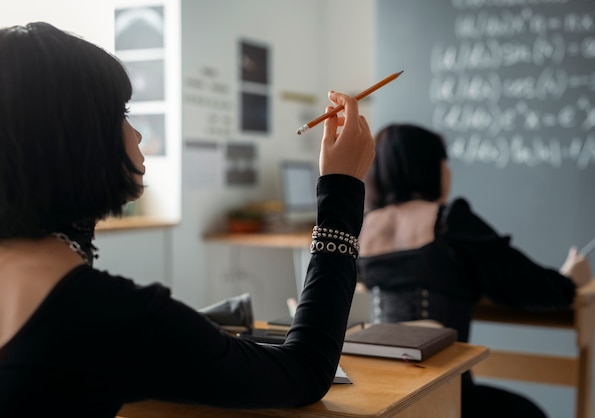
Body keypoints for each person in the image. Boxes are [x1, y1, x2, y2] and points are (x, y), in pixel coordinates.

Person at [0, 22, 375, 417]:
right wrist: (341, 189)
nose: (137, 135)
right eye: (121, 114)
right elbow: (305, 371)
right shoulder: (116, 319)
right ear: (74, 136)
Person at [357, 123, 592, 418]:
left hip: (382, 398)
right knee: (529, 414)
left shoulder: (361, 228)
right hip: (447, 397)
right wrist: (568, 279)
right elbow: (523, 283)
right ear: (430, 167)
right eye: (444, 162)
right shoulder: (449, 222)